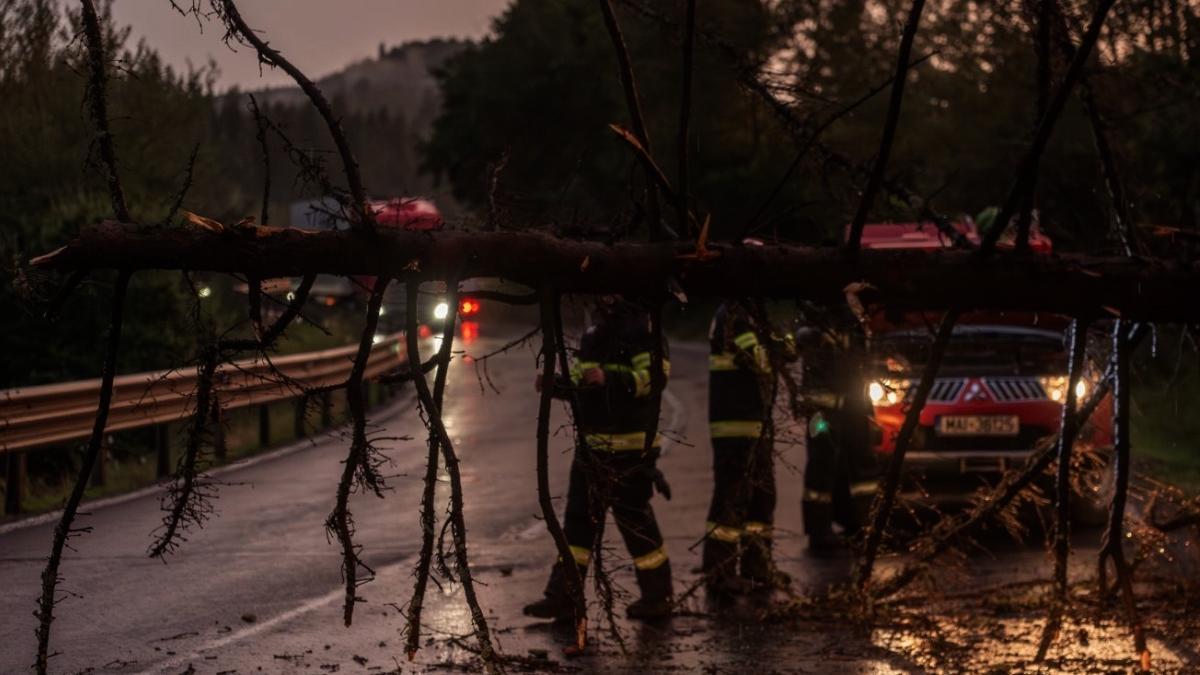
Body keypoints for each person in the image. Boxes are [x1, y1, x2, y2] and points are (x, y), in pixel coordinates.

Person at [523, 296, 673, 621]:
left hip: (630, 452)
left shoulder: (644, 331)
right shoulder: (594, 335)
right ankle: (563, 597)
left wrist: (612, 380)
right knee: (577, 526)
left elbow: (655, 377)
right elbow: (586, 388)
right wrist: (557, 386)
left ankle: (658, 598)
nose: (603, 298)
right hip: (591, 451)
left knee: (635, 523)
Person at [703, 299, 796, 592]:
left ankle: (757, 566)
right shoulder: (732, 315)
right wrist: (776, 347)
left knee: (761, 499)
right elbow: (759, 358)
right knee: (732, 499)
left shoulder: (757, 316)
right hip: (735, 425)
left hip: (757, 424)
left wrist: (779, 342)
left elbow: (788, 350)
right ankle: (721, 573)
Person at [796, 305, 879, 553]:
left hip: (852, 405)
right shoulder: (813, 314)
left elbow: (861, 360)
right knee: (821, 465)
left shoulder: (851, 316)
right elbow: (805, 346)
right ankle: (818, 532)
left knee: (861, 466)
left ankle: (864, 525)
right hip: (821, 411)